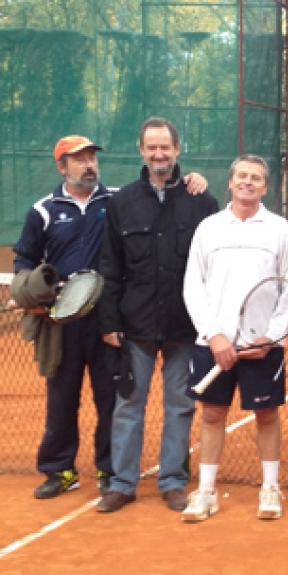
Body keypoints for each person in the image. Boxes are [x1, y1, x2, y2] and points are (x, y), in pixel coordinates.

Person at [12, 135, 207, 500]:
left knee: (111, 399)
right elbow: (24, 260)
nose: (88, 165)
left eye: (91, 158)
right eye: (78, 160)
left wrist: (192, 179)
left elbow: (161, 192)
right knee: (61, 398)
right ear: (62, 167)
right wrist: (35, 293)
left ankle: (109, 470)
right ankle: (60, 469)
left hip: (108, 317)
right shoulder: (43, 211)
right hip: (62, 322)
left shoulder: (117, 200)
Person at [97, 117, 219, 513]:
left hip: (185, 326)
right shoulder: (122, 202)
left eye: (165, 147)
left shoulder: (202, 201)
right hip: (136, 327)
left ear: (177, 149)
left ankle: (172, 481)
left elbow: (210, 270)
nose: (159, 154)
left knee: (180, 405)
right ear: (141, 151)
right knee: (129, 404)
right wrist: (110, 321)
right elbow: (110, 267)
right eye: (151, 147)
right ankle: (122, 482)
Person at [180, 155, 288, 522]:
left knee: (266, 414)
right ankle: (205, 492)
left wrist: (271, 336)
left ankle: (270, 487)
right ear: (230, 183)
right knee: (213, 414)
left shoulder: (279, 230)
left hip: (262, 347)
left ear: (265, 187)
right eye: (242, 176)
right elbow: (192, 286)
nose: (248, 182)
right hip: (213, 345)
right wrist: (214, 335)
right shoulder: (209, 228)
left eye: (256, 178)